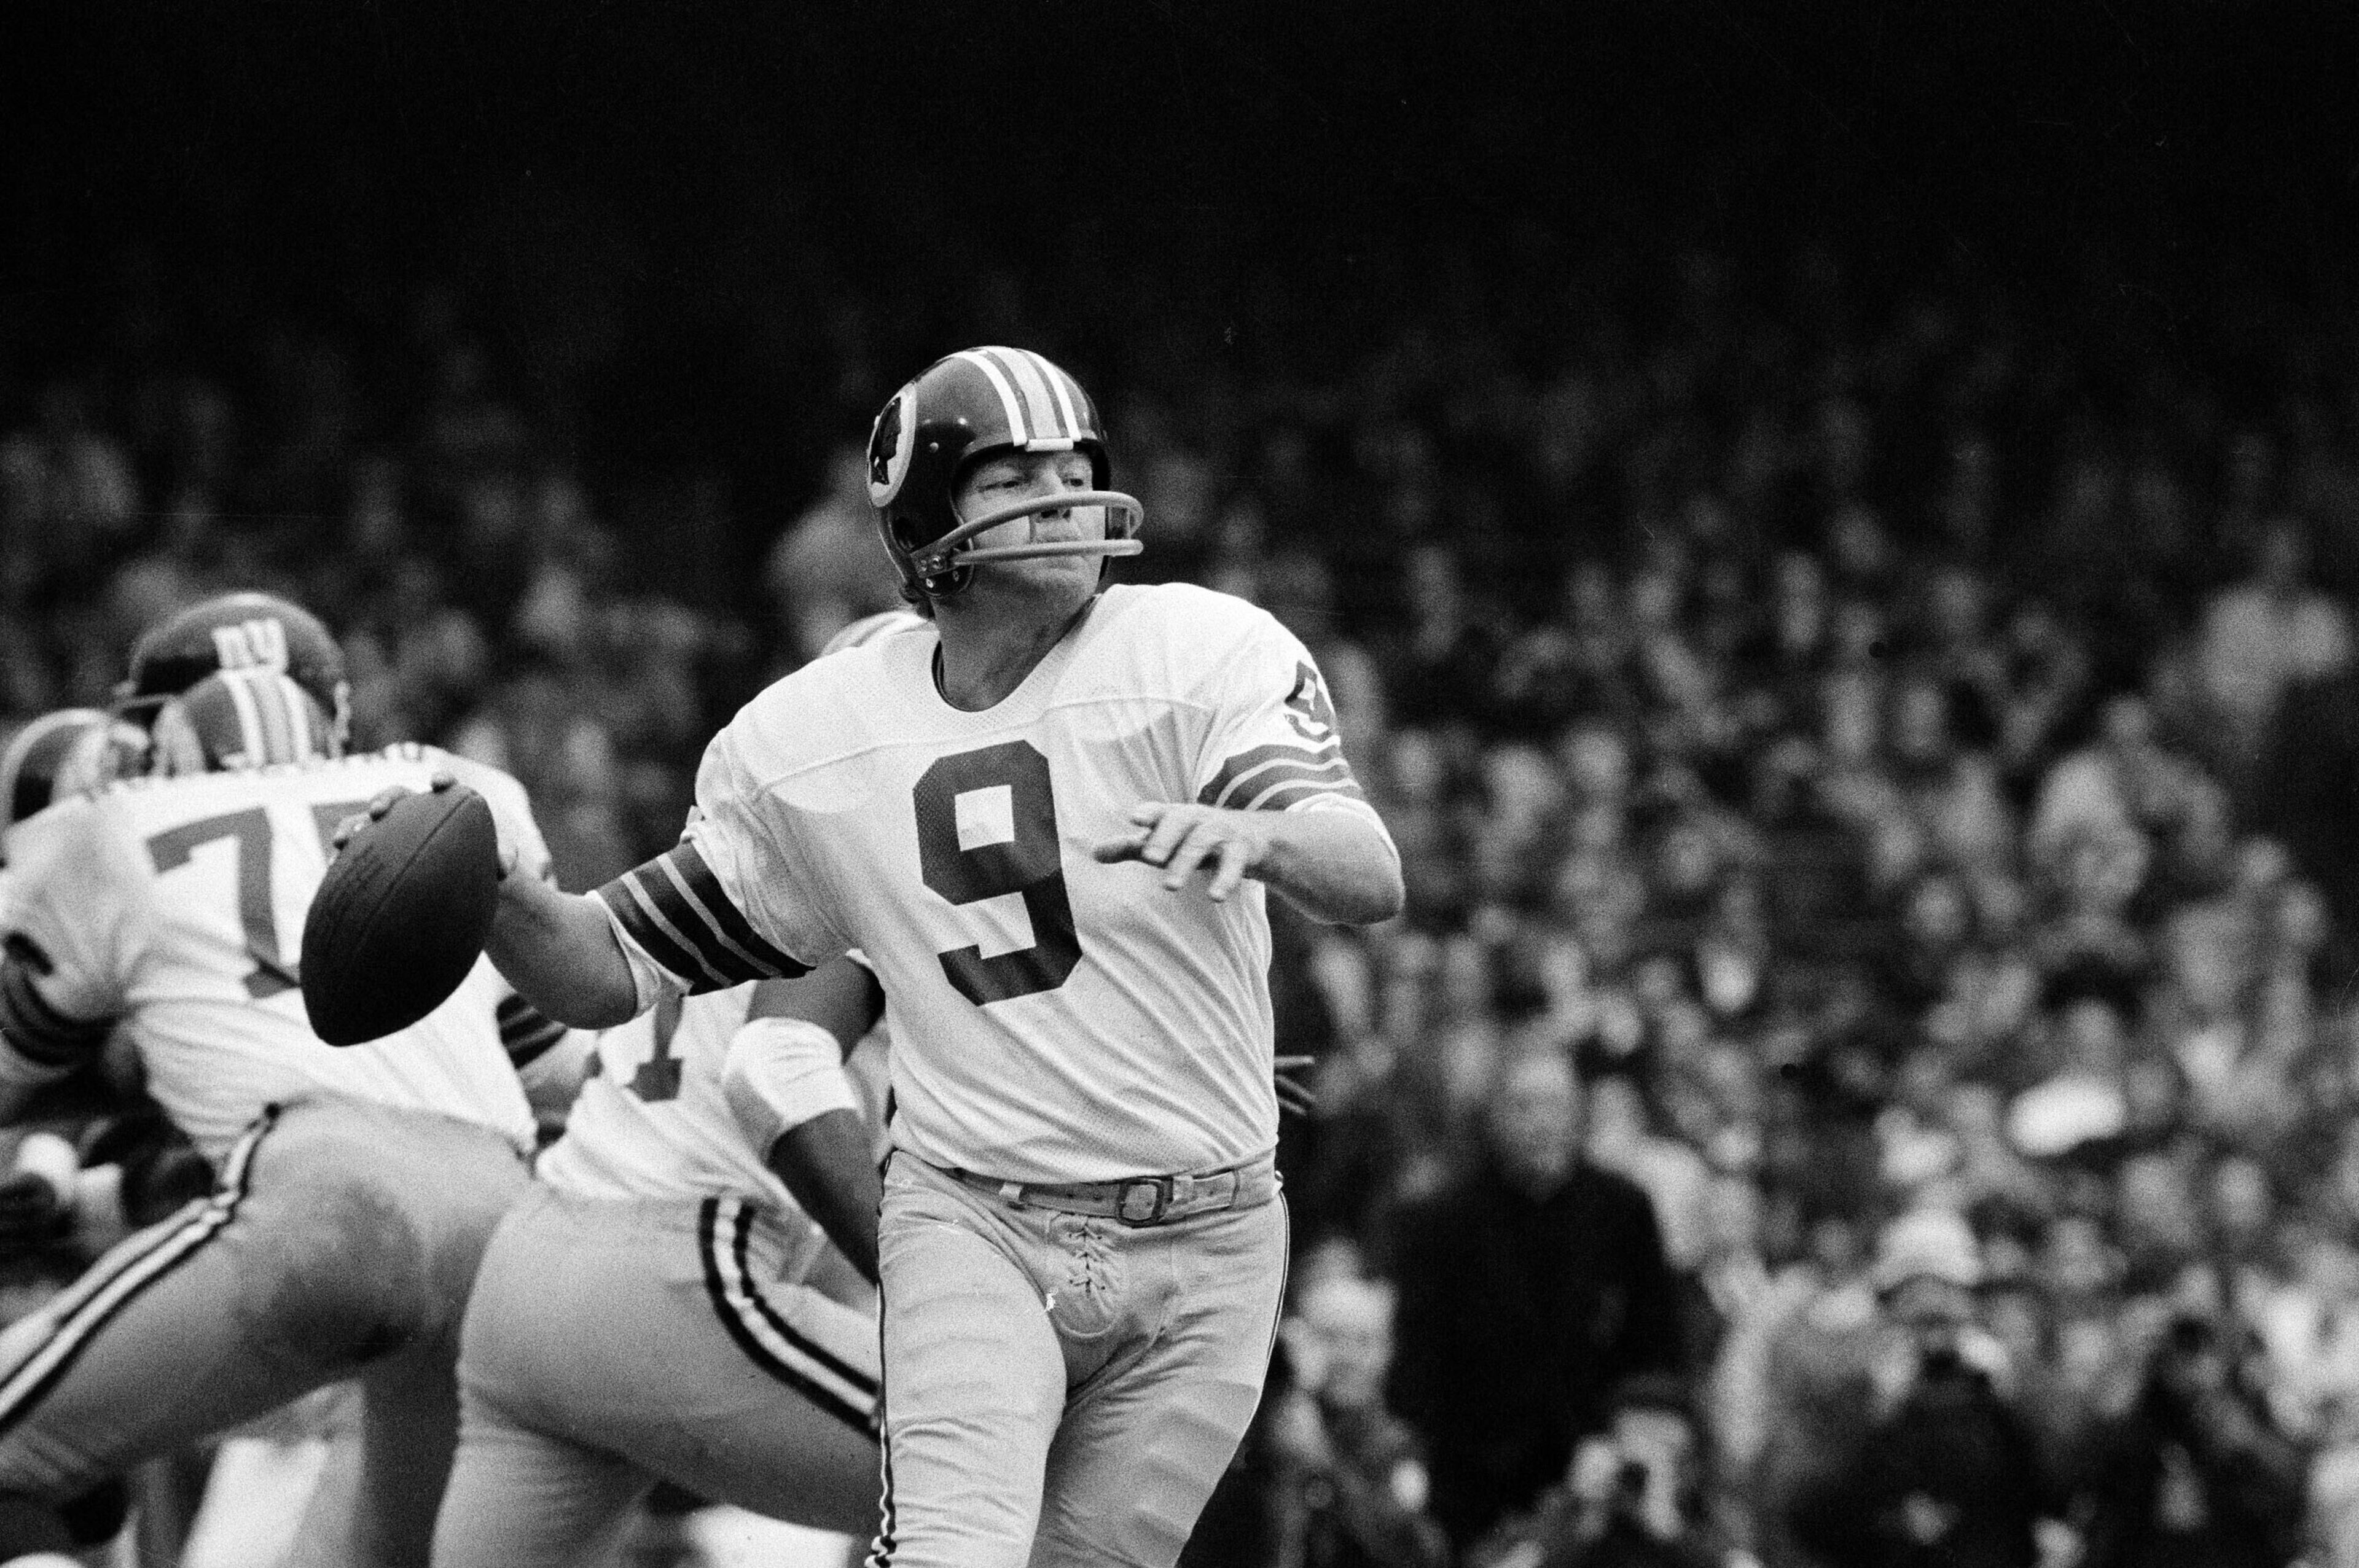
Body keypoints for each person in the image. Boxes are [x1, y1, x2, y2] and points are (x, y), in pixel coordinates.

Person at [395, 346, 1404, 1568]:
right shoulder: (825, 746)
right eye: (1016, 476)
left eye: (1076, 467)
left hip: (1213, 1230)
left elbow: (1368, 869)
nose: (1064, 495)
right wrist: (497, 896)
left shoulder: (1195, 648)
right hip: (966, 1219)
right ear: (925, 524)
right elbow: (609, 968)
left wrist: (1264, 838)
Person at [0, 593, 572, 1568]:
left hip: (325, 1206)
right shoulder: (453, 788)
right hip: (507, 1235)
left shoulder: (109, 827)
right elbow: (560, 1067)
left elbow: (19, 1063)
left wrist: (73, 1139)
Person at [426, 608, 928, 1568]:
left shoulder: (732, 853)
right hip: (677, 1270)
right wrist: (930, 1293)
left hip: (530, 1274)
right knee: (1039, 1477)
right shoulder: (867, 852)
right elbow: (775, 1072)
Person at [1387, 1047, 1684, 1552]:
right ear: (1494, 1117)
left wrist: (1619, 1441)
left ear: (1579, 1114)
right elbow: (1418, 1360)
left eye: (1555, 1104)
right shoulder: (1443, 1221)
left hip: (1600, 1469)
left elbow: (1656, 1348)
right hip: (1478, 1481)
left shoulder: (1625, 1211)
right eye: (1523, 1105)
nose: (1541, 1122)